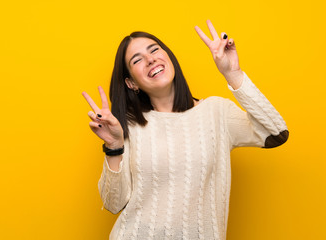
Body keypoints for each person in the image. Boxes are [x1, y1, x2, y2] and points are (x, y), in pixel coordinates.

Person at [82, 20, 289, 240]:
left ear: (169, 58)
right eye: (137, 60)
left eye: (154, 50)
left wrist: (233, 73)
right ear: (131, 83)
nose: (150, 59)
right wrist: (114, 146)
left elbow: (276, 133)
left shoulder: (216, 112)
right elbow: (114, 204)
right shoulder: (129, 127)